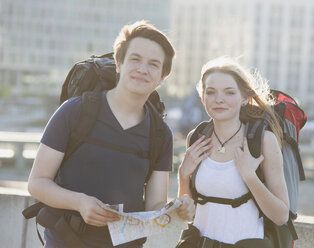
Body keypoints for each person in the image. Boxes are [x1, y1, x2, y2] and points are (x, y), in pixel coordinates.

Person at [28, 21, 194, 248]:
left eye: (153, 64)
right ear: (118, 64)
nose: (143, 69)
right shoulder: (75, 111)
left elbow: (155, 204)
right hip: (66, 240)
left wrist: (177, 208)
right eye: (135, 59)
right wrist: (80, 203)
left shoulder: (160, 133)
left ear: (162, 77)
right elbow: (37, 183)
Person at [177, 57, 290, 247]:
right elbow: (186, 213)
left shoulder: (263, 141)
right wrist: (183, 175)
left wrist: (249, 176)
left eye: (229, 92)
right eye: (211, 92)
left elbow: (281, 216)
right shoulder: (196, 138)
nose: (219, 99)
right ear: (203, 98)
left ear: (244, 98)